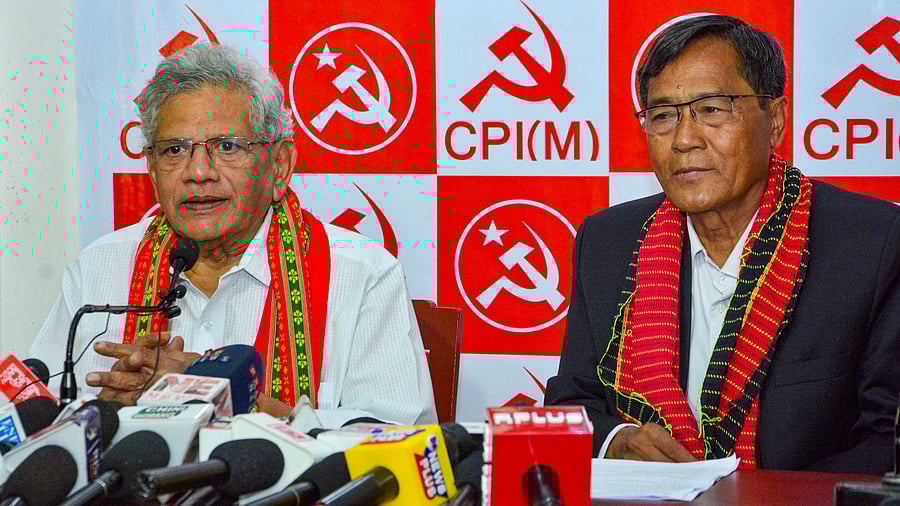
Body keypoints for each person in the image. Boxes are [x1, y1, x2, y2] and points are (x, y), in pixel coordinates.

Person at [544, 15, 900, 472]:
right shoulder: (608, 242)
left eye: (711, 109)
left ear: (775, 121)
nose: (684, 140)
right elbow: (572, 404)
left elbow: (886, 442)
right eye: (663, 115)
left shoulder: (870, 245)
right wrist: (616, 441)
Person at [29, 43, 437, 427]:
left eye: (227, 146)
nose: (198, 171)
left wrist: (219, 396)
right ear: (152, 171)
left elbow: (397, 442)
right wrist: (107, 414)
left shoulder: (361, 274)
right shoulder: (100, 268)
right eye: (174, 150)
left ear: (279, 167)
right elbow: (37, 422)